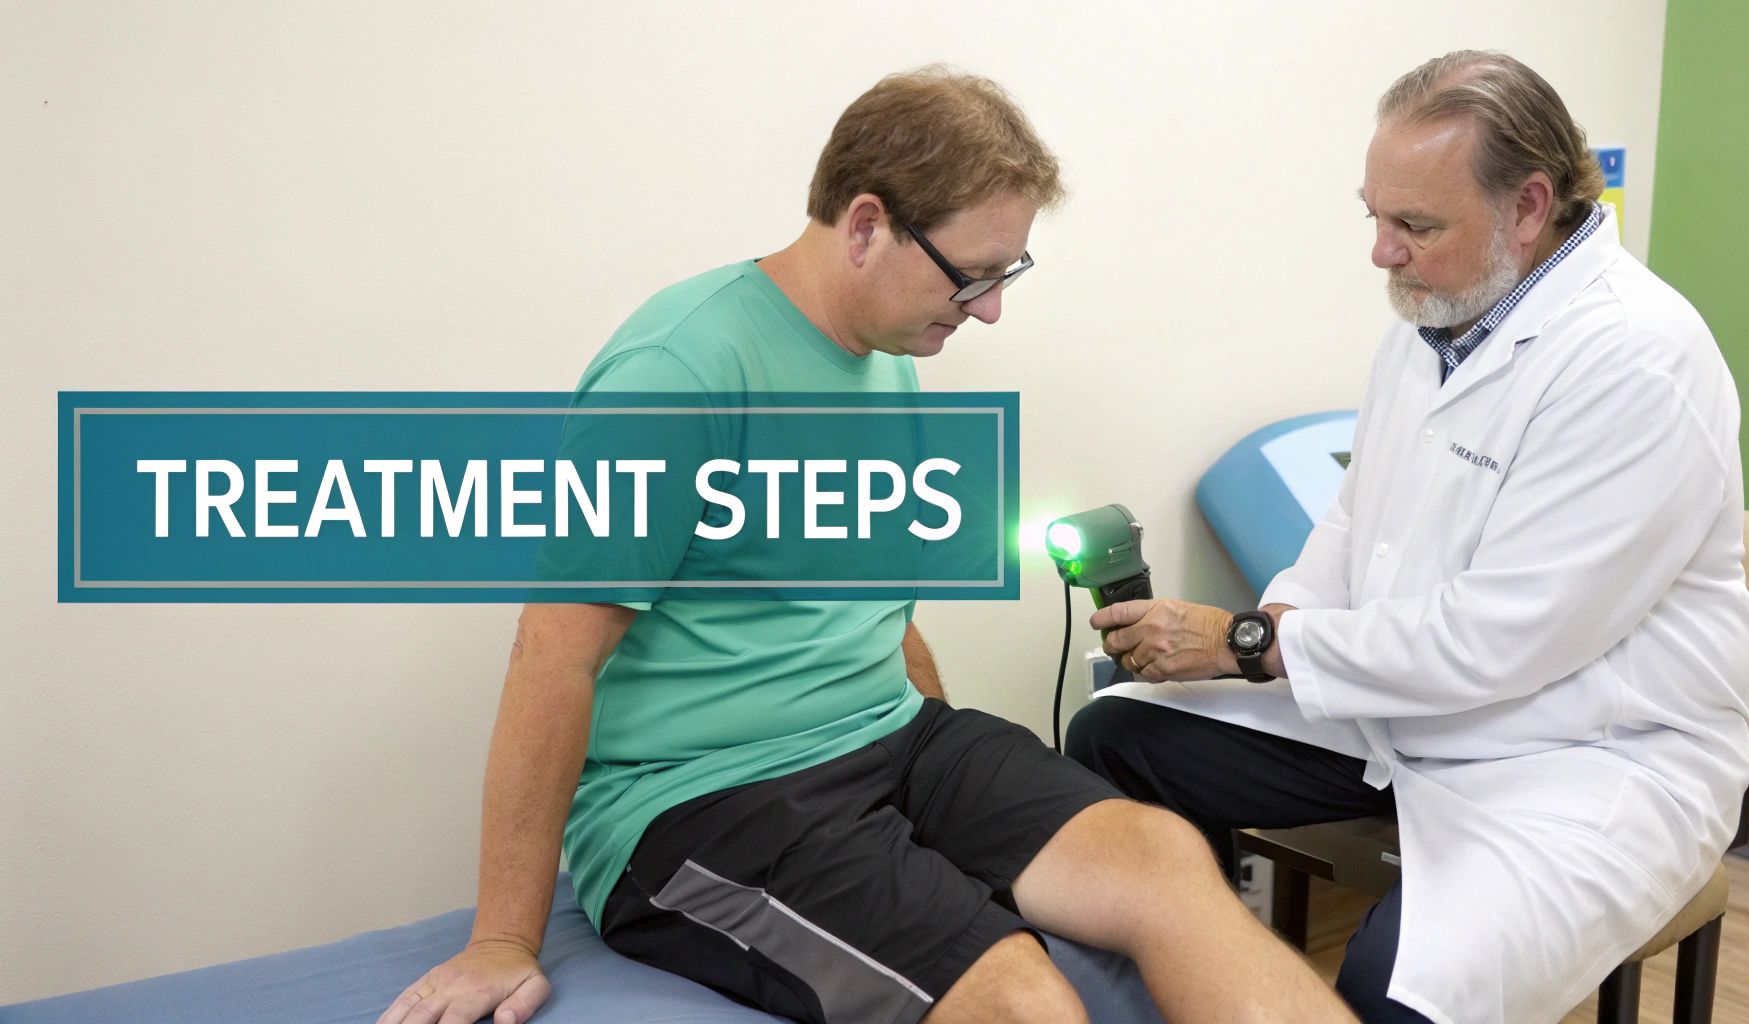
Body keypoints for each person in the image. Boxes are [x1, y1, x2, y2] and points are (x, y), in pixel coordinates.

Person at [379, 68, 1355, 1024]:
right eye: (972, 275)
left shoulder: (885, 362)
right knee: (1019, 996)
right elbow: (552, 652)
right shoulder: (679, 371)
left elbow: (875, 613)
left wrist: (942, 784)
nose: (989, 308)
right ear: (864, 225)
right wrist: (502, 938)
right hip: (708, 798)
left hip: (889, 740)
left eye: (1005, 273)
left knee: (1163, 857)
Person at [1069, 50, 1749, 1024]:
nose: (1381, 254)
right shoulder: (1432, 319)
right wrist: (1278, 619)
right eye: (1374, 217)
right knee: (1116, 738)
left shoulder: (1635, 362)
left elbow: (1498, 641)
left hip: (1578, 757)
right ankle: (1206, 991)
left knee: (1395, 991)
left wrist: (1245, 644)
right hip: (1406, 712)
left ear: (1525, 206)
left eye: (1414, 225)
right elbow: (1354, 524)